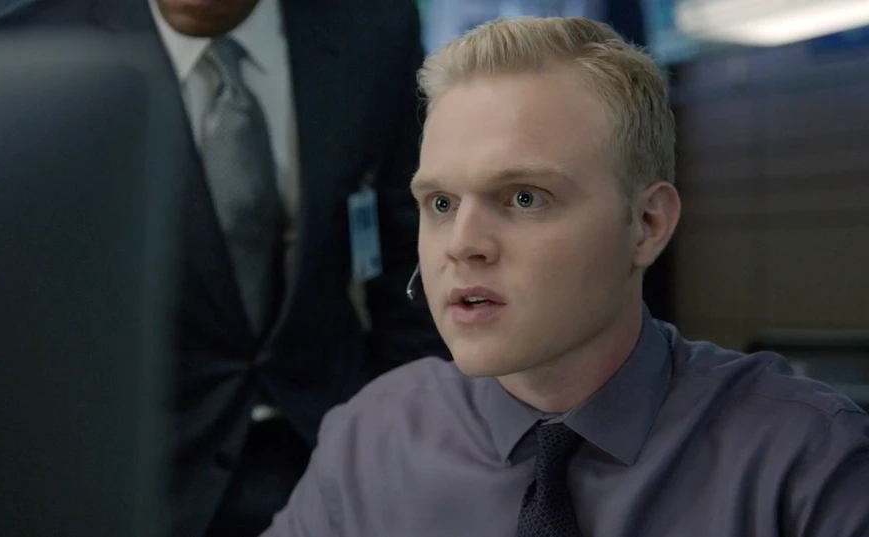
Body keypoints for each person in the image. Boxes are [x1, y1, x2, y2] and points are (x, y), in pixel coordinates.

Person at [261, 16, 869, 537]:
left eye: (524, 198)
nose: (463, 245)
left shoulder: (803, 461)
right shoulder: (370, 441)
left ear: (647, 224)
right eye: (441, 204)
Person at [0, 1, 447, 536]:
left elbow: (412, 255)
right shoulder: (29, 54)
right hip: (136, 473)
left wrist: (410, 442)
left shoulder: (370, 29)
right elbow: (8, 324)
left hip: (329, 448)